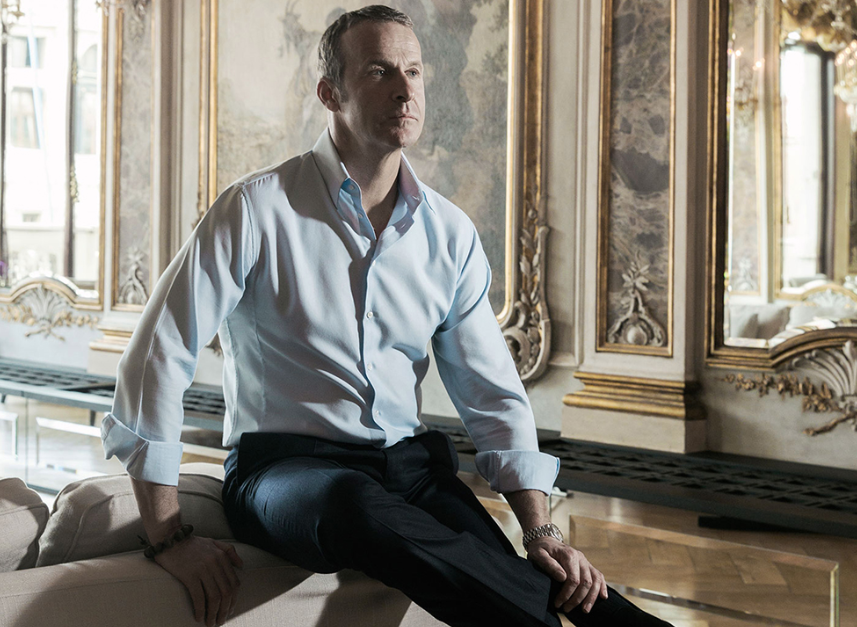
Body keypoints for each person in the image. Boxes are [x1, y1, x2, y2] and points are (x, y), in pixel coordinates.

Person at [102, 5, 672, 627]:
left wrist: (540, 531)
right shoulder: (255, 210)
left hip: (412, 472)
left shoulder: (449, 233)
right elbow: (158, 354)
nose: (405, 89)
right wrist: (167, 536)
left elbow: (492, 394)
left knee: (538, 575)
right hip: (284, 472)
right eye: (379, 71)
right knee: (355, 502)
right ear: (330, 92)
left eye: (415, 71)